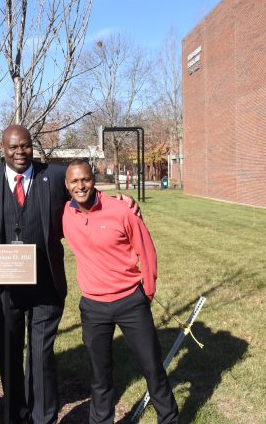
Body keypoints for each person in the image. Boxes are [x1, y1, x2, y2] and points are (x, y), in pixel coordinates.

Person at [0, 125, 139, 424]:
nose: (20, 152)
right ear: (3, 149)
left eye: (25, 146)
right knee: (9, 353)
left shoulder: (53, 176)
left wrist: (122, 202)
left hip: (46, 281)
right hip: (3, 281)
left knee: (40, 354)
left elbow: (86, 192)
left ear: (32, 146)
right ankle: (15, 414)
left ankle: (43, 416)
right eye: (13, 147)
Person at [62, 159, 179, 424]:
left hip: (130, 302)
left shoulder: (122, 210)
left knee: (152, 369)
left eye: (86, 179)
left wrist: (146, 293)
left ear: (95, 179)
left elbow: (146, 252)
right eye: (74, 181)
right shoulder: (65, 215)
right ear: (66, 185)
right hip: (93, 307)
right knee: (100, 377)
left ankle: (169, 419)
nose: (81, 186)